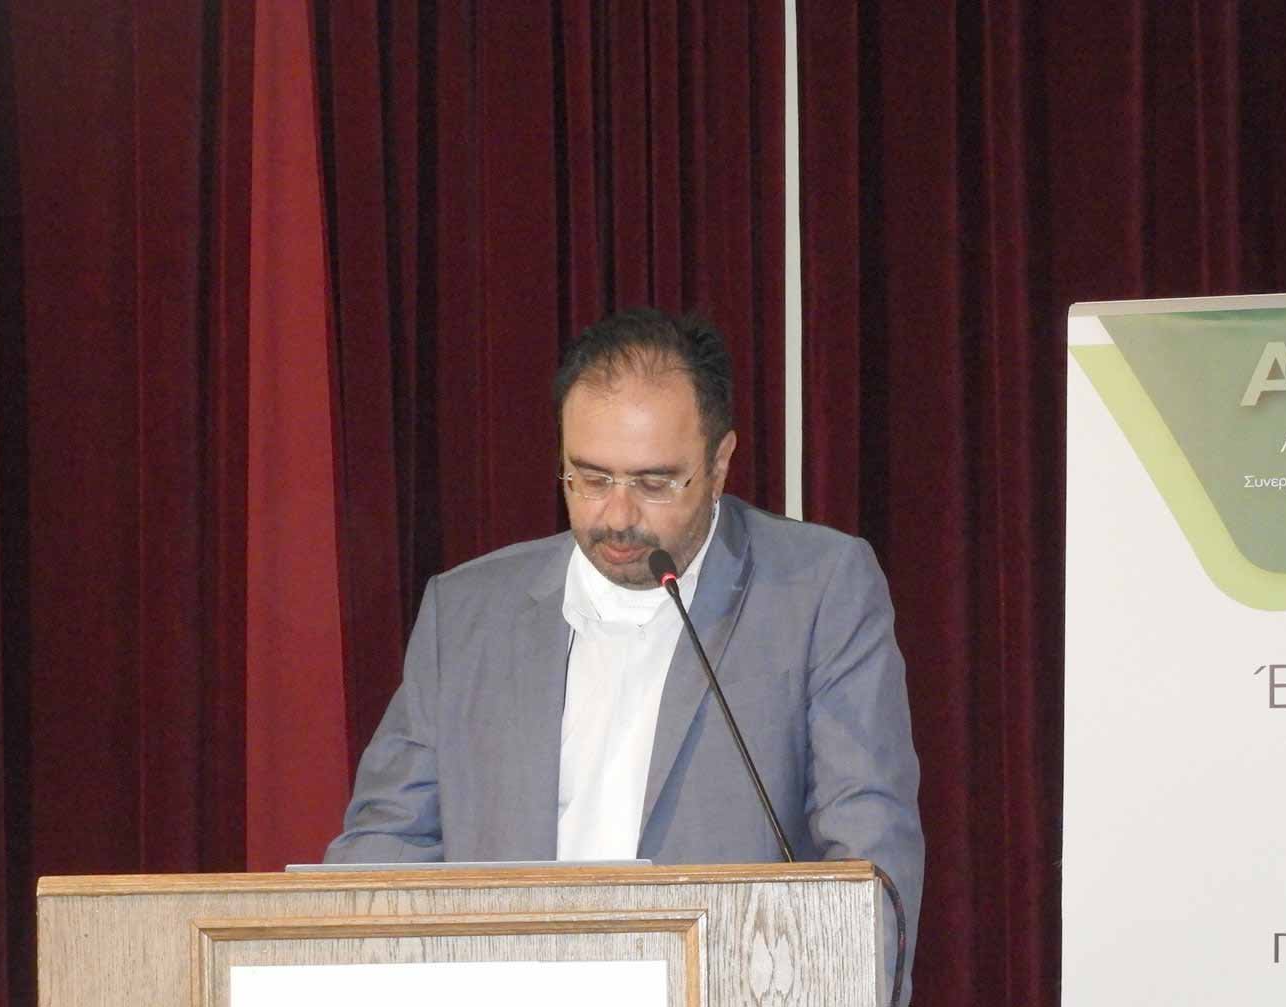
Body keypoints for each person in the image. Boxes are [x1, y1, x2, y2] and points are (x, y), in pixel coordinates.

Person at [326, 308, 923, 999]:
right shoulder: (465, 615)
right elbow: (385, 850)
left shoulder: (818, 590)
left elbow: (868, 851)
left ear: (719, 464)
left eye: (653, 482)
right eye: (589, 477)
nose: (616, 515)